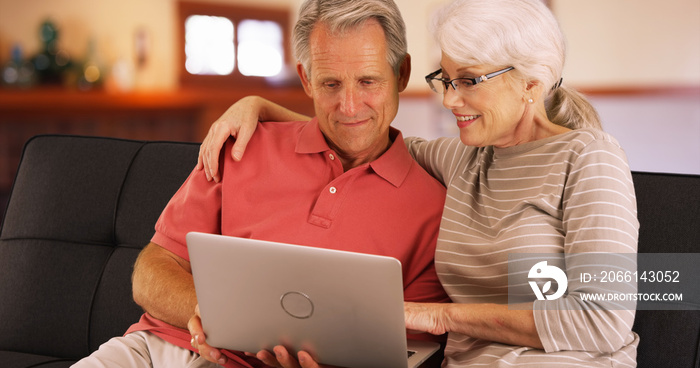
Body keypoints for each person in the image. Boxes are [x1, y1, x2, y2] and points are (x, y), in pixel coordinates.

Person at [196, 0, 641, 366]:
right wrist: (259, 105)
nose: (449, 99)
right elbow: (357, 129)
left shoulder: (590, 157)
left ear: (530, 82)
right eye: (446, 80)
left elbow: (603, 320)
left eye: (468, 81)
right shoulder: (461, 159)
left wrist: (437, 316)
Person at [72, 0, 452, 367]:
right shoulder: (243, 145)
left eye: (368, 81)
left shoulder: (433, 210)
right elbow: (151, 270)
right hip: (159, 349)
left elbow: (409, 346)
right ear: (306, 79)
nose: (349, 106)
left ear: (401, 74)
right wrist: (210, 315)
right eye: (331, 84)